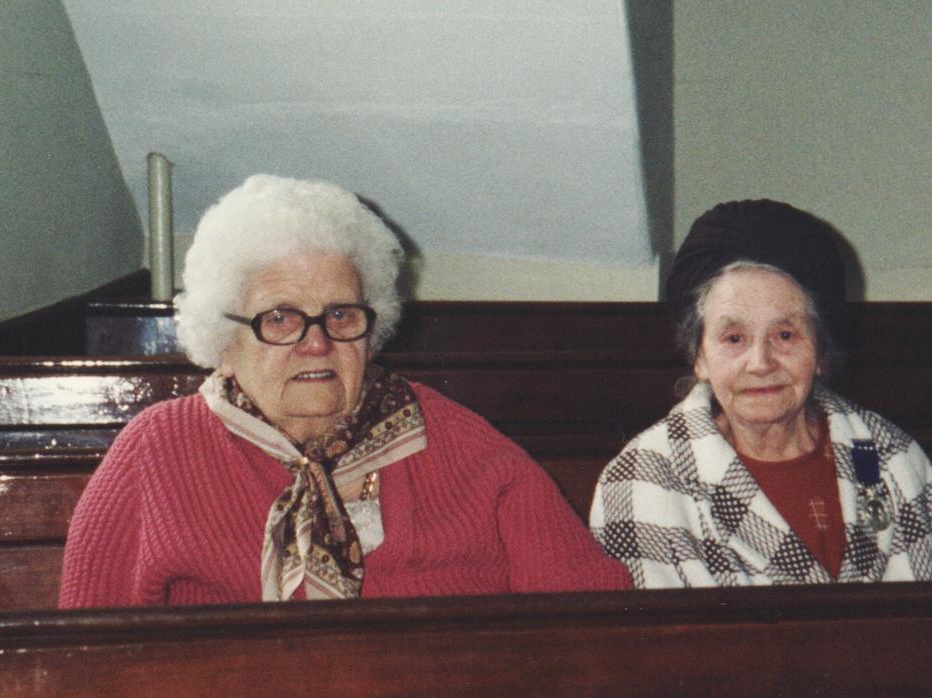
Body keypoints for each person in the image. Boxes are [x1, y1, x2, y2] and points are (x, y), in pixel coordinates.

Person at [61, 174, 630, 605]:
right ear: (224, 342)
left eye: (339, 314)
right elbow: (86, 670)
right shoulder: (157, 452)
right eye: (280, 319)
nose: (317, 343)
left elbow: (589, 622)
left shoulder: (463, 446)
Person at [591, 199, 932, 587]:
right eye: (734, 338)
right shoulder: (642, 479)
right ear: (699, 357)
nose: (760, 362)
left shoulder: (893, 457)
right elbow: (655, 646)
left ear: (820, 352)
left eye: (785, 335)